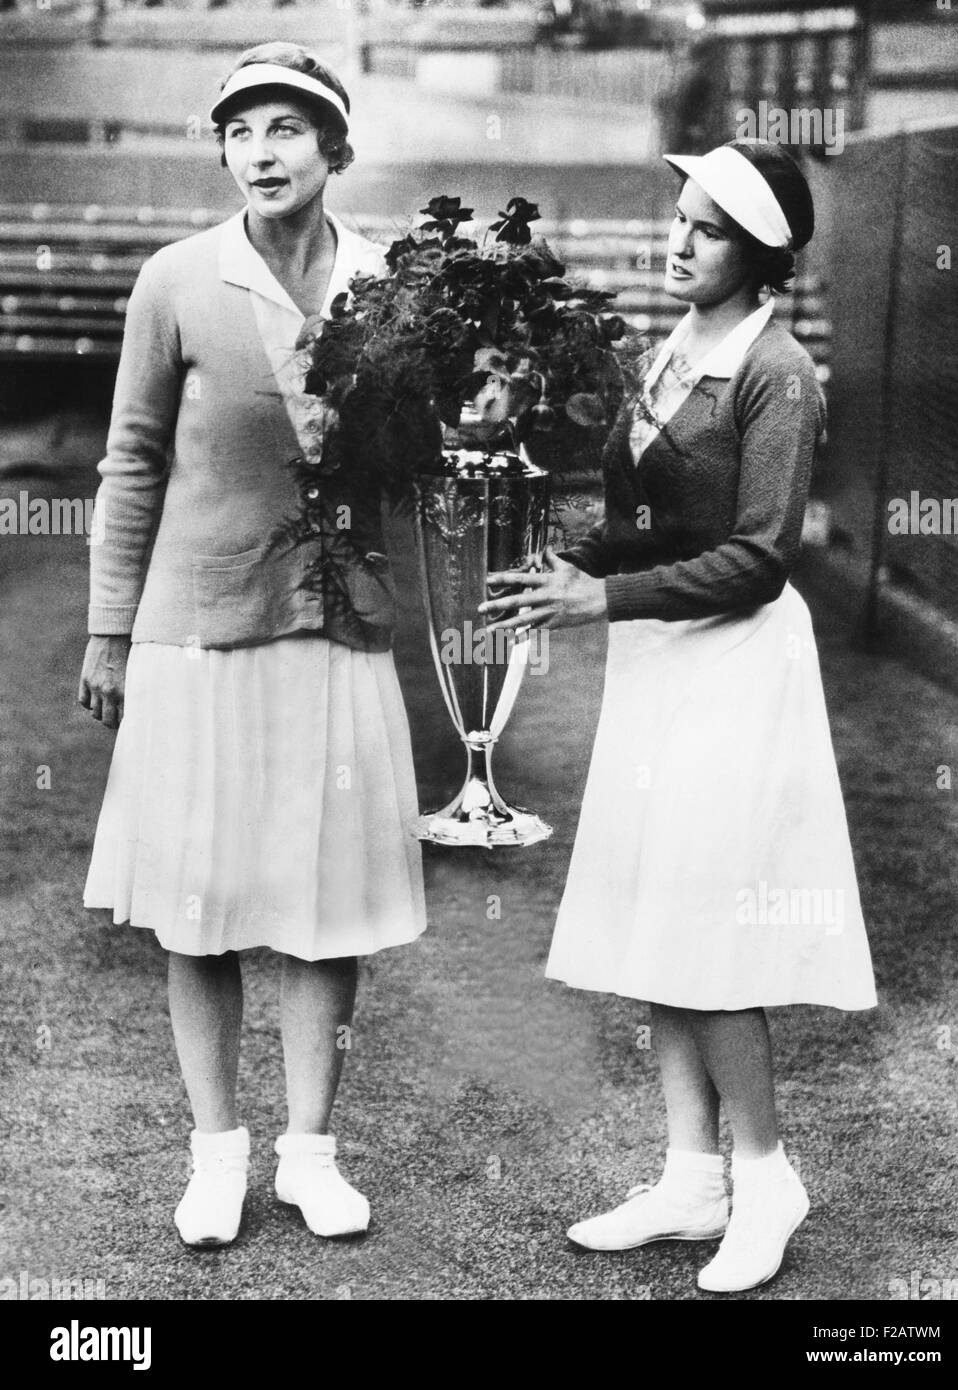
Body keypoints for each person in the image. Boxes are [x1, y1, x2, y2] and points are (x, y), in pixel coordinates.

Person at [481, 140, 877, 1294]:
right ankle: (689, 1174)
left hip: (738, 665)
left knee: (710, 930)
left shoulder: (778, 370)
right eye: (679, 216)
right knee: (662, 915)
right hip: (662, 661)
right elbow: (649, 524)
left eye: (706, 227)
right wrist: (563, 565)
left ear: (760, 254)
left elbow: (758, 557)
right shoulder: (671, 349)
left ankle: (766, 1176)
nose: (677, 237)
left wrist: (603, 595)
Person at [79, 42, 427, 1248]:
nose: (261, 151)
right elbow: (131, 462)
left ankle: (310, 1156)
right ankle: (216, 1154)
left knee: (323, 903)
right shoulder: (174, 280)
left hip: (333, 623)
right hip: (199, 628)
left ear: (335, 149)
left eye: (287, 128)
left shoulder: (392, 286)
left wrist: (460, 411)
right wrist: (109, 628)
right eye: (241, 131)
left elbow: (412, 462)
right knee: (199, 903)